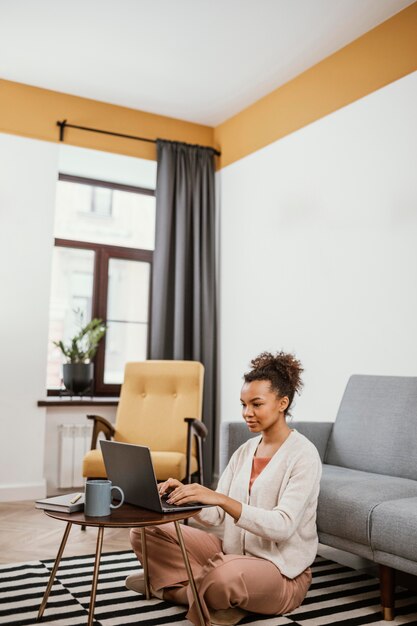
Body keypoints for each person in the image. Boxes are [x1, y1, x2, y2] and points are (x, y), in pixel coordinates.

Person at [127, 351, 322, 626]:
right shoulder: (244, 451)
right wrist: (186, 496)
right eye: (243, 404)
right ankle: (209, 594)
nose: (247, 413)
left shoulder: (303, 455)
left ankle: (174, 590)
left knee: (224, 576)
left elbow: (283, 526)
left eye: (256, 404)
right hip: (231, 556)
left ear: (282, 403)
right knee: (145, 530)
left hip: (281, 573)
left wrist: (218, 498)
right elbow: (216, 517)